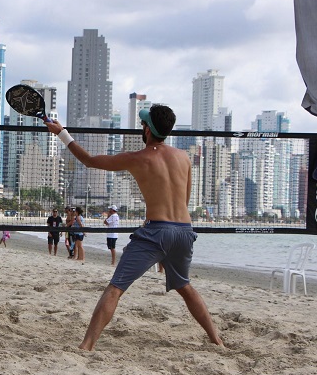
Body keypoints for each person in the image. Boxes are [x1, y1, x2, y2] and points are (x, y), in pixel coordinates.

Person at [46, 105, 223, 350]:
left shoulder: (138, 158)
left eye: (143, 124)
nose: (141, 127)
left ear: (148, 129)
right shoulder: (184, 158)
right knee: (185, 286)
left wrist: (61, 133)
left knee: (115, 288)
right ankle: (217, 340)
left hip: (156, 232)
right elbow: (184, 200)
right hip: (184, 230)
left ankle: (86, 346)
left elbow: (88, 160)